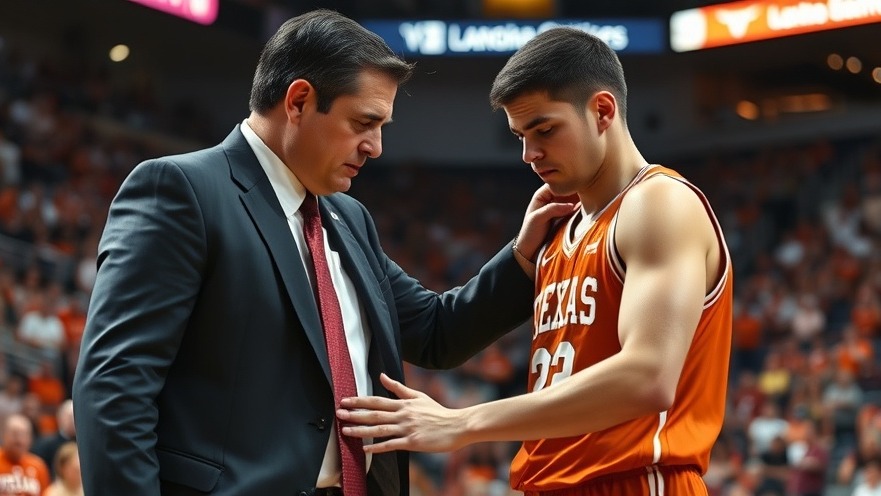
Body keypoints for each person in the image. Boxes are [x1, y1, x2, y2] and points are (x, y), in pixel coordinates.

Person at [71, 8, 572, 496]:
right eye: (363, 123)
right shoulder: (183, 190)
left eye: (382, 128)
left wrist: (523, 256)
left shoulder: (348, 218)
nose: (375, 146)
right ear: (298, 102)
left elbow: (436, 332)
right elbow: (115, 387)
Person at [339, 27, 734, 495]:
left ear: (602, 111)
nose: (530, 155)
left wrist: (463, 422)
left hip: (633, 481)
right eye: (520, 136)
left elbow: (648, 376)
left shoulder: (658, 202)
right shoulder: (555, 231)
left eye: (545, 130)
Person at [0, 413, 51, 495]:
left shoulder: (38, 466)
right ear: (3, 435)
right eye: (14, 434)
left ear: (30, 439)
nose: (19, 440)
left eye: (24, 435)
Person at [31, 399, 75, 479]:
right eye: (69, 416)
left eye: (75, 417)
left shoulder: (85, 445)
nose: (73, 420)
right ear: (60, 418)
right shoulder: (45, 444)